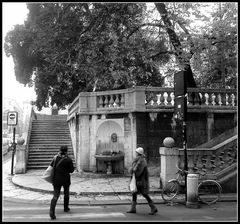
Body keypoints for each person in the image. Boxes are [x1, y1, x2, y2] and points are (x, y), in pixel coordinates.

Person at [127, 147, 158, 215]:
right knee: (134, 193)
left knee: (144, 194)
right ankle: (133, 208)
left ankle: (153, 207)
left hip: (141, 181)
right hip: (138, 180)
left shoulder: (141, 161)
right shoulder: (139, 160)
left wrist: (131, 170)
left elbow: (137, 172)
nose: (135, 153)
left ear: (138, 153)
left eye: (136, 152)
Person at [49, 145, 74, 220]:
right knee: (66, 193)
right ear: (66, 151)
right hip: (66, 179)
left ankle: (51, 211)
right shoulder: (69, 159)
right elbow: (71, 170)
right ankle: (66, 208)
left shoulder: (55, 158)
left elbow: (51, 167)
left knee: (56, 195)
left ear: (60, 150)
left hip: (56, 179)